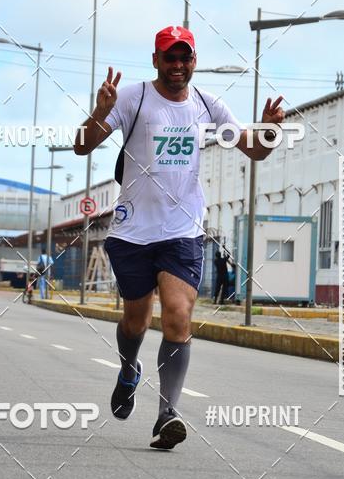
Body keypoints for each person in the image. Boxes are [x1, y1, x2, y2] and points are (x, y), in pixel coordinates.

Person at [74, 25, 284, 450]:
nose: (177, 65)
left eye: (184, 57)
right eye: (169, 57)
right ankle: (129, 368)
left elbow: (254, 149)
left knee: (177, 316)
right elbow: (82, 145)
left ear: (194, 60)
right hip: (133, 232)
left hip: (183, 229)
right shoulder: (132, 98)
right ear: (156, 60)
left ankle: (167, 413)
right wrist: (99, 111)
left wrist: (271, 131)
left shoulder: (209, 105)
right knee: (136, 320)